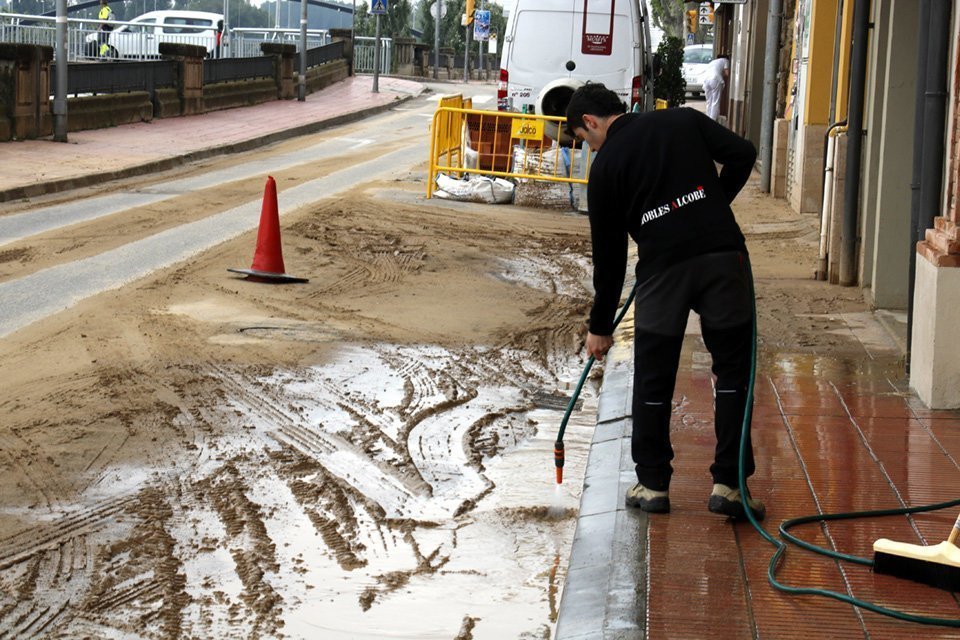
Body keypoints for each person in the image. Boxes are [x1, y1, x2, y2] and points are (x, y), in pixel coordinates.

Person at [565, 82, 765, 521]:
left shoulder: (605, 168)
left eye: (585, 140)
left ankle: (653, 485)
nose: (590, 148)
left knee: (654, 380)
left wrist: (601, 326)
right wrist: (712, 207)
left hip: (662, 274)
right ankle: (730, 486)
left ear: (591, 122)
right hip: (721, 260)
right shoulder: (682, 118)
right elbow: (744, 153)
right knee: (734, 372)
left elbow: (611, 258)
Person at [703, 55, 730, 120]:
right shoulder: (726, 60)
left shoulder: (713, 62)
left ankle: (707, 118)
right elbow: (727, 73)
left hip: (706, 80)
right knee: (715, 101)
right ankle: (713, 120)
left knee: (709, 101)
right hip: (715, 79)